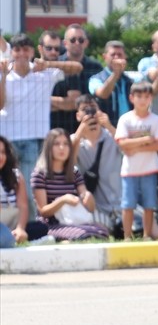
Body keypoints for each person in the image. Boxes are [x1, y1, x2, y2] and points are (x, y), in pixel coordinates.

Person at [0, 33, 81, 203]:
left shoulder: (44, 72)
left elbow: (77, 67)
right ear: (12, 52)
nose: (21, 54)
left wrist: (48, 64)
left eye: (25, 49)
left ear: (32, 52)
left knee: (29, 190)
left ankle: (28, 227)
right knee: (5, 187)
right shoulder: (3, 72)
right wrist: (4, 78)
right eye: (17, 50)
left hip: (33, 138)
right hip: (6, 140)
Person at [30, 128, 110, 242]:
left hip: (73, 220)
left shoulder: (74, 172)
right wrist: (63, 200)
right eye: (57, 144)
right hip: (50, 224)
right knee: (81, 234)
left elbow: (90, 208)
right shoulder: (39, 174)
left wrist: (88, 197)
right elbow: (43, 211)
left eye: (66, 144)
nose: (62, 148)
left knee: (100, 231)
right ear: (49, 147)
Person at [114, 81, 158, 241]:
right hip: (129, 170)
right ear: (132, 98)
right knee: (127, 204)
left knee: (149, 205)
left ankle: (146, 235)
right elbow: (122, 144)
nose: (142, 100)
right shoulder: (125, 119)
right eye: (139, 96)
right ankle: (127, 236)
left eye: (146, 96)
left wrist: (135, 147)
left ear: (151, 98)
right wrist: (146, 140)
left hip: (150, 169)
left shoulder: (156, 120)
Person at [72, 94, 122, 235]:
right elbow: (69, 162)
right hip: (94, 209)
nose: (90, 113)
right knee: (96, 229)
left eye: (93, 109)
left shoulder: (113, 136)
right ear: (77, 115)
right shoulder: (74, 140)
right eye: (85, 110)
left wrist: (109, 125)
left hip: (119, 206)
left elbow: (128, 149)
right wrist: (81, 130)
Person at [50, 24, 104, 134]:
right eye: (73, 40)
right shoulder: (54, 66)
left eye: (81, 40)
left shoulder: (96, 67)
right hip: (58, 127)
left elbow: (99, 100)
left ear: (86, 43)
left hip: (88, 129)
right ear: (65, 43)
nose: (77, 43)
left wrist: (57, 103)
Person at [0, 134, 50, 246]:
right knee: (5, 239)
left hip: (12, 226)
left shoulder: (15, 176)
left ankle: (18, 237)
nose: (1, 157)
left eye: (3, 152)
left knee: (41, 229)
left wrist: (20, 229)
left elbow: (23, 206)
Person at [88, 40, 142, 123]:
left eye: (120, 55)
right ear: (104, 57)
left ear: (125, 57)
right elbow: (103, 94)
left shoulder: (131, 80)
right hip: (106, 128)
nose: (116, 57)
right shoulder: (96, 79)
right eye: (113, 55)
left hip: (130, 127)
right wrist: (115, 74)